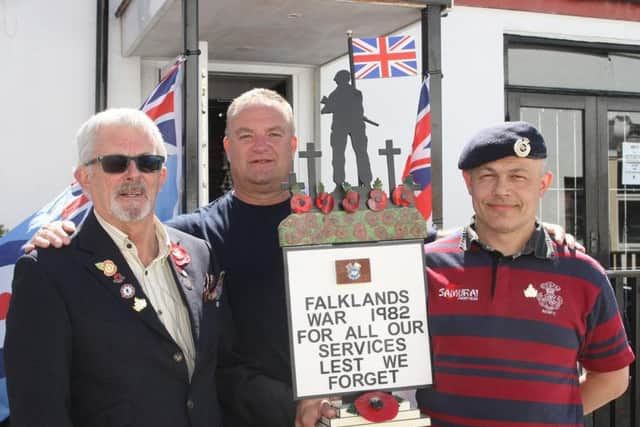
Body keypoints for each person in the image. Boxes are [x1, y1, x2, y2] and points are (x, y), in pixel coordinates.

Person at [26, 95, 580, 427]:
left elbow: (437, 249)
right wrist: (62, 236)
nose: (260, 146)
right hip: (252, 419)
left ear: (294, 144)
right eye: (245, 135)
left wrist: (533, 228)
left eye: (274, 134)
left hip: (357, 416)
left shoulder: (346, 217)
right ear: (227, 147)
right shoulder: (192, 239)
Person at [5, 109, 232, 427]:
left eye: (148, 163)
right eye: (115, 163)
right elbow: (38, 410)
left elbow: (215, 372)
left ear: (161, 176)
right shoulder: (48, 271)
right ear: (84, 177)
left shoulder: (198, 254)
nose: (133, 175)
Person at [417, 121, 634, 427]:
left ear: (543, 184)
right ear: (468, 182)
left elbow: (612, 377)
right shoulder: (426, 266)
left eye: (517, 177)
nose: (502, 190)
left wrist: (551, 416)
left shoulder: (583, 275)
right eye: (487, 176)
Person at [321, 69, 373, 189]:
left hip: (350, 126)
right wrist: (329, 104)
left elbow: (328, 109)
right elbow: (325, 110)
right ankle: (346, 183)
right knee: (343, 155)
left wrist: (330, 104)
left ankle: (363, 183)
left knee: (352, 155)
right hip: (346, 127)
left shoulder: (344, 94)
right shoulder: (349, 93)